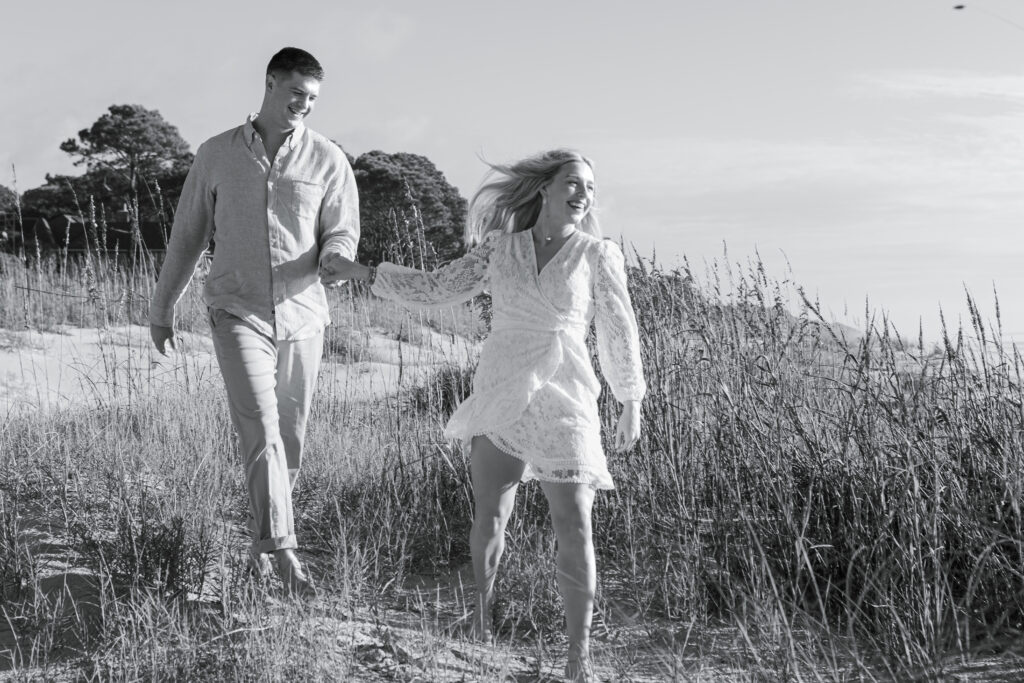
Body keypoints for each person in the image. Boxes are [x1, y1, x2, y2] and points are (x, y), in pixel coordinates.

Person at [324, 149, 645, 681]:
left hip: (566, 394)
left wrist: (630, 398)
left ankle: (577, 656)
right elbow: (437, 288)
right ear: (544, 189)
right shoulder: (502, 249)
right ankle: (481, 616)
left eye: (590, 186)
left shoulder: (597, 254)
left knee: (576, 523)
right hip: (500, 385)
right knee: (490, 516)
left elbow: (618, 326)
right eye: (573, 181)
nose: (583, 193)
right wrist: (360, 271)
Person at [148, 47, 360, 596]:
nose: (303, 107)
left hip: (305, 316)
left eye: (312, 100)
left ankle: (261, 551)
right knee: (261, 428)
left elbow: (341, 231)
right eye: (295, 94)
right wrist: (163, 306)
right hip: (236, 310)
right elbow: (188, 235)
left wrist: (337, 257)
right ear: (270, 83)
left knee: (289, 438)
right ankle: (284, 555)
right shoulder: (216, 154)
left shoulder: (329, 160)